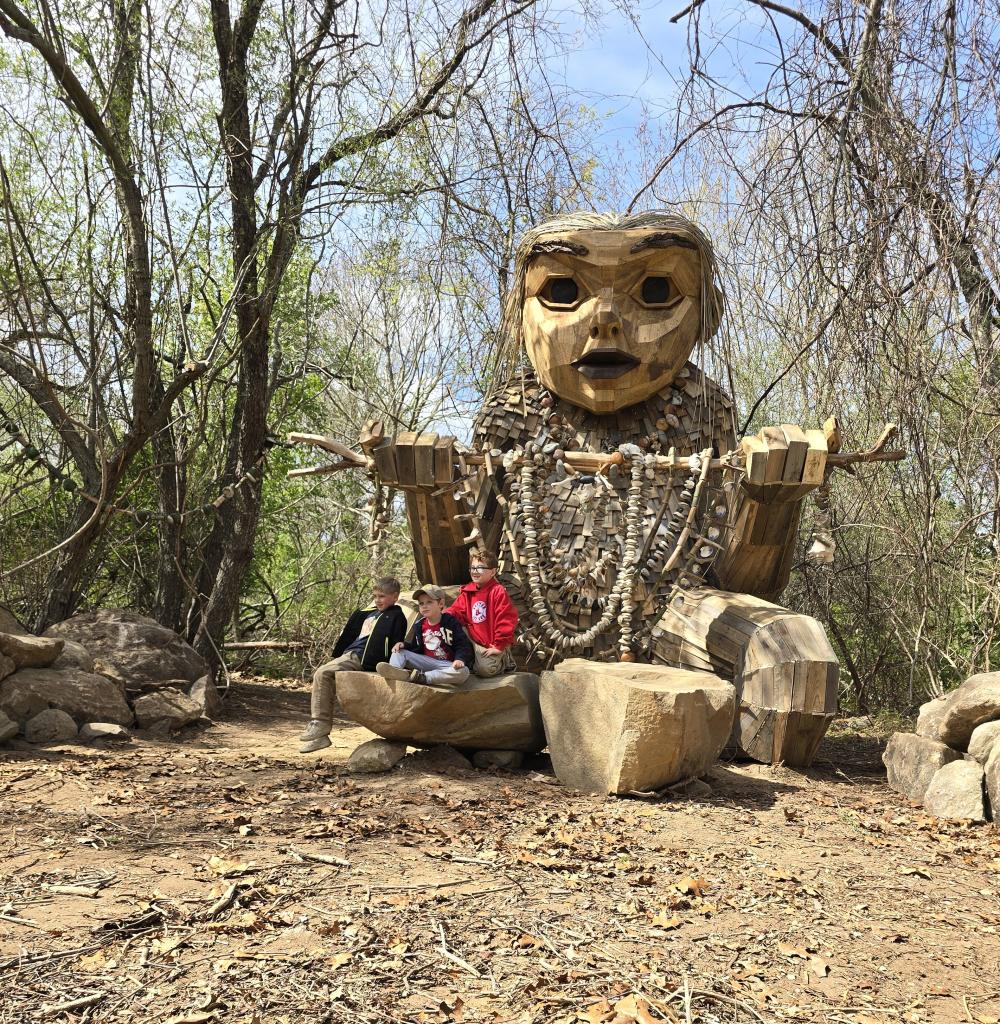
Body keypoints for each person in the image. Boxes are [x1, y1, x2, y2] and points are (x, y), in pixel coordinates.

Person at [299, 577, 407, 753]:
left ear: (395, 597)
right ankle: (320, 737)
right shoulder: (369, 613)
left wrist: (398, 648)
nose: (377, 600)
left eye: (382, 596)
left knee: (322, 673)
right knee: (323, 676)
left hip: (362, 657)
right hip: (349, 653)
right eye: (375, 596)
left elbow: (397, 640)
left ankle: (319, 724)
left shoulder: (396, 615)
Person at [376, 585, 473, 689]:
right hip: (426, 662)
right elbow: (415, 647)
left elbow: (462, 644)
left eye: (429, 602)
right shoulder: (419, 625)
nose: (424, 606)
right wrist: (403, 644)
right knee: (399, 652)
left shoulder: (450, 622)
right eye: (421, 603)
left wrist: (460, 659)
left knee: (463, 672)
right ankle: (394, 672)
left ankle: (424, 678)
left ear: (441, 604)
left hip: (446, 665)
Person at [445, 552, 518, 677]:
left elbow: (506, 620)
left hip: (491, 643)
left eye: (480, 568)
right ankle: (470, 660)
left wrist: (499, 646)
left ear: (493, 571)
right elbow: (456, 611)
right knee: (448, 621)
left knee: (484, 670)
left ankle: (505, 660)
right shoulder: (467, 592)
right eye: (472, 568)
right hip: (473, 638)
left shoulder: (498, 591)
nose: (475, 571)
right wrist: (442, 616)